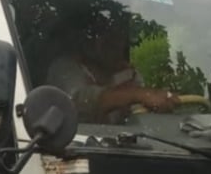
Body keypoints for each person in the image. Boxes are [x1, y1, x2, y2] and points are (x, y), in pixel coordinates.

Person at [46, 13, 179, 123]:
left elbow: (143, 117)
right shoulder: (65, 68)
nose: (113, 42)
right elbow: (80, 103)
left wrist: (160, 104)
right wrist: (137, 94)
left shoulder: (128, 75)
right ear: (87, 41)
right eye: (103, 35)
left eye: (118, 36)